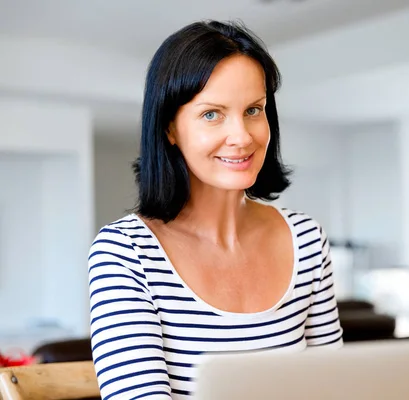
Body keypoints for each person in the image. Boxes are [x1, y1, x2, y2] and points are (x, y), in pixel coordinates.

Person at [88, 20, 343, 399]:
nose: (242, 136)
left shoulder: (306, 240)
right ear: (169, 128)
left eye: (254, 110)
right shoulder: (126, 253)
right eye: (212, 114)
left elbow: (336, 387)